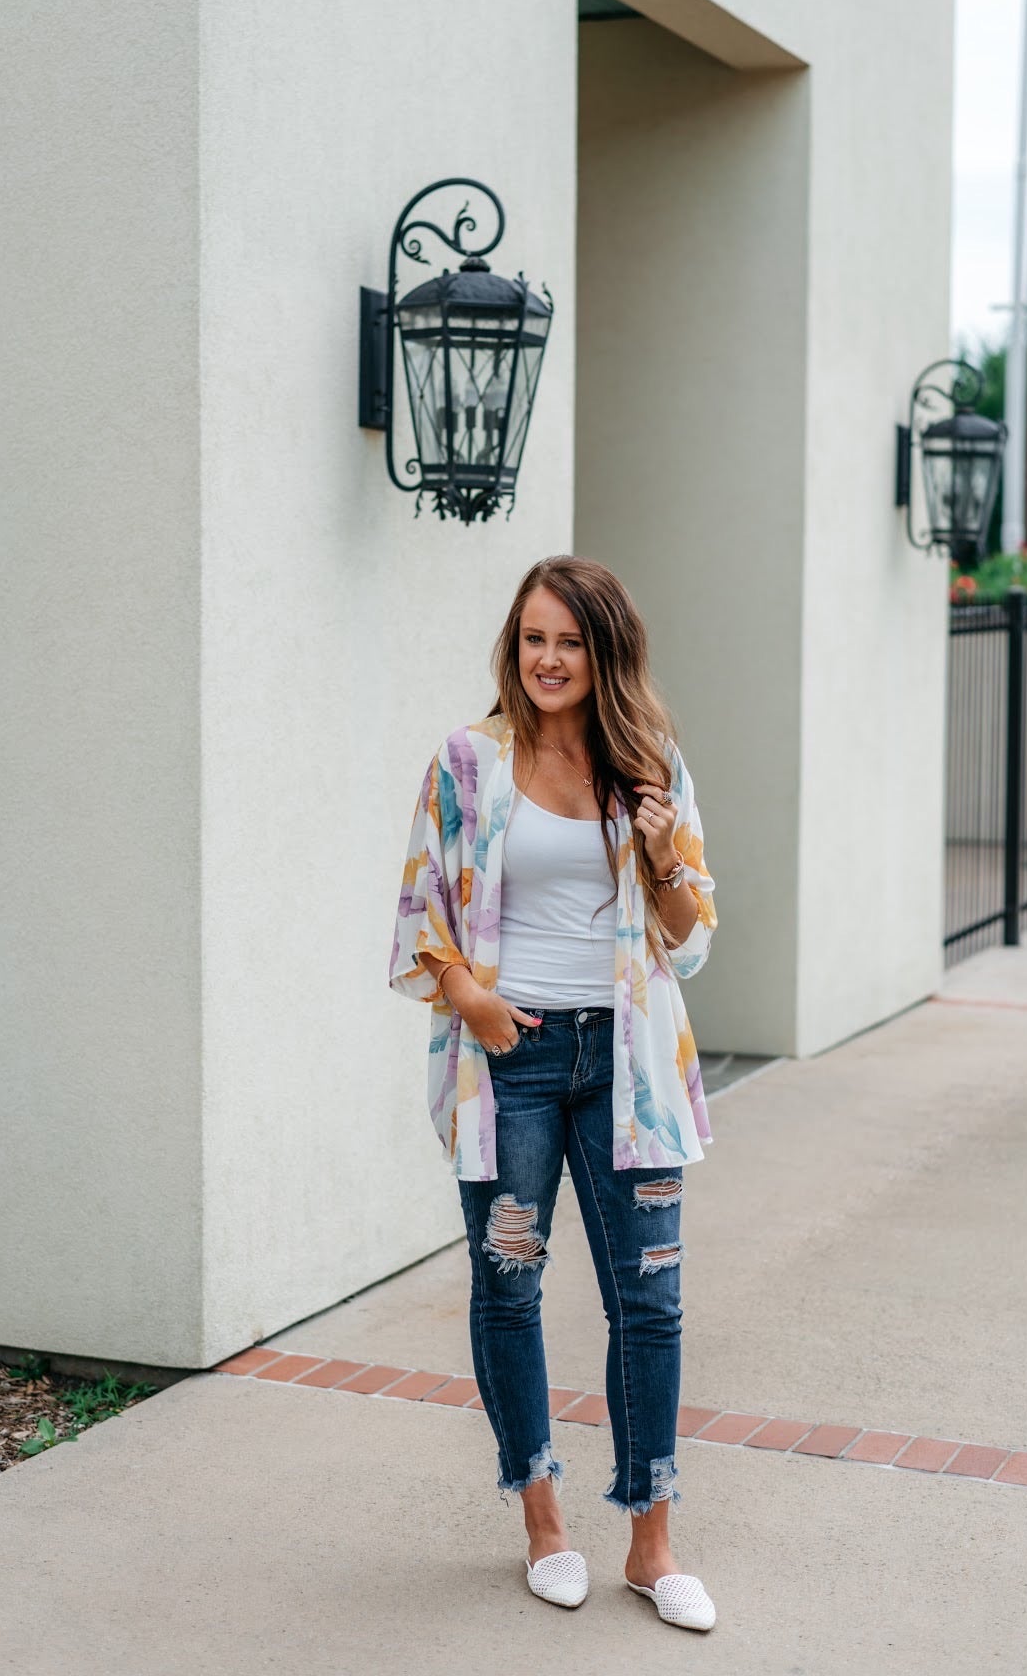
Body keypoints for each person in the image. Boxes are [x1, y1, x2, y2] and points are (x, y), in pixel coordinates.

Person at [388, 554, 718, 1633]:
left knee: (650, 1302)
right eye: (533, 637)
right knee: (510, 1286)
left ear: (603, 651)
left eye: (568, 641)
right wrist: (472, 1003)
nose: (547, 658)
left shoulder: (649, 765)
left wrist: (666, 858)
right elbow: (420, 914)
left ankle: (651, 1542)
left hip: (626, 1069)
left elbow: (690, 939)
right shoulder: (466, 763)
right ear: (513, 645)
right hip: (513, 1063)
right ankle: (542, 1521)